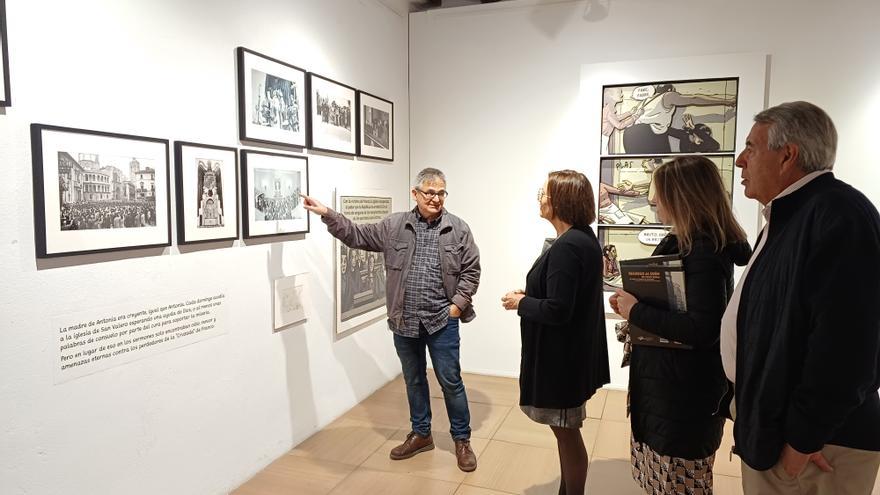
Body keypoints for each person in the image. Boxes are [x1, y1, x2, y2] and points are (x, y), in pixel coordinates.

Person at [721, 101, 880, 494]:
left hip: (815, 450)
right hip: (784, 435)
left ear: (787, 155)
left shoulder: (838, 215)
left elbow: (848, 347)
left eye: (751, 147)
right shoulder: (794, 216)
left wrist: (803, 439)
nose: (740, 160)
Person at [301, 168, 481, 472]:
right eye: (429, 192)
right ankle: (422, 433)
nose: (436, 199)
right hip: (405, 321)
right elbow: (356, 234)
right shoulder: (395, 225)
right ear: (415, 194)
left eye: (441, 193)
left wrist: (456, 306)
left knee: (450, 381)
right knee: (413, 380)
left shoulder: (459, 229)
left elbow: (471, 271)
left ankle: (462, 439)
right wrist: (327, 214)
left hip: (441, 321)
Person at [609, 156, 751, 495]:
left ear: (682, 196)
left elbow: (703, 329)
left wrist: (637, 311)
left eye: (660, 193)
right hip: (670, 389)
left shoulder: (703, 252)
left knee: (680, 482)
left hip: (683, 396)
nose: (653, 201)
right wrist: (633, 304)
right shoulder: (691, 244)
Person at [501, 170, 610, 495]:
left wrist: (520, 303)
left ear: (561, 200)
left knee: (567, 432)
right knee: (566, 431)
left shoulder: (568, 246)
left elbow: (559, 310)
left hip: (562, 360)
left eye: (545, 192)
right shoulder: (581, 238)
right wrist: (532, 296)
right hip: (571, 355)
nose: (540, 197)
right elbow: (562, 296)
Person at [623, 84, 735, 155]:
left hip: (633, 135)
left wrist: (691, 130)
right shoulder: (668, 96)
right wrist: (725, 101)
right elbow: (694, 99)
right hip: (646, 136)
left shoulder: (647, 101)